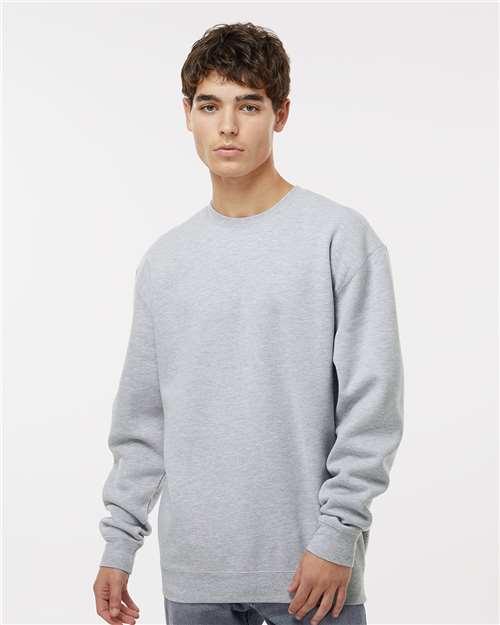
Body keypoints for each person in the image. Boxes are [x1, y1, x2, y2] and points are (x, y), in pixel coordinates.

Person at [93, 21, 404, 625]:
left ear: (280, 114)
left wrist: (338, 534)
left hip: (312, 575)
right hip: (195, 576)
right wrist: (119, 544)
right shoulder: (166, 261)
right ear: (188, 114)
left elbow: (373, 404)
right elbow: (143, 421)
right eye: (210, 106)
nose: (228, 126)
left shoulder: (338, 238)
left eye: (249, 105)